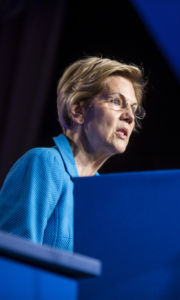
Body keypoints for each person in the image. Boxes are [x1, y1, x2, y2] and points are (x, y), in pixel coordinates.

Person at [0, 56, 146, 251]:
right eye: (116, 101)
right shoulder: (45, 164)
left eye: (133, 109)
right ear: (78, 111)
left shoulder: (100, 193)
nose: (129, 117)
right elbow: (14, 259)